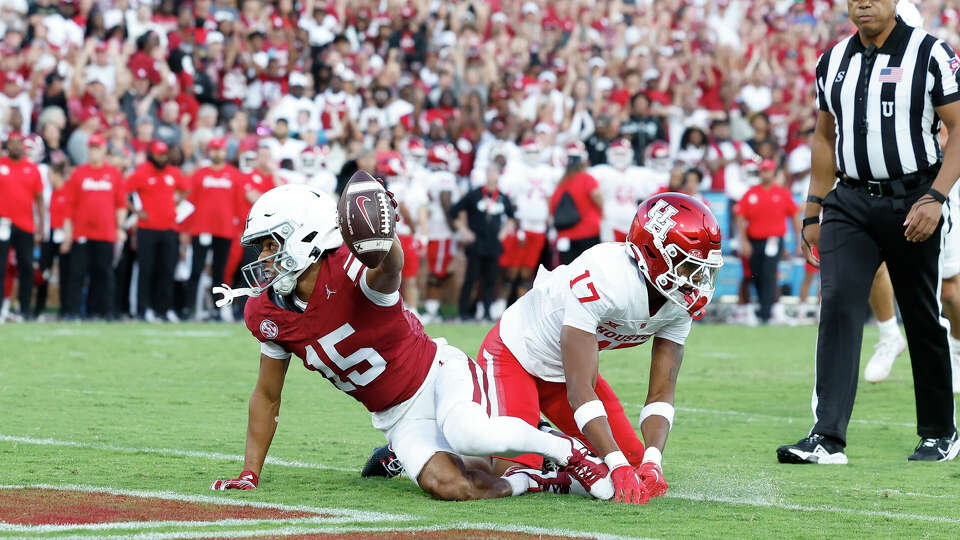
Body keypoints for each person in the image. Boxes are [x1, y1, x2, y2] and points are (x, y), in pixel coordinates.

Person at [209, 180, 613, 501]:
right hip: (396, 416)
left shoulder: (353, 268)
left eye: (269, 244)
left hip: (437, 374)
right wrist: (250, 472)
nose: (261, 257)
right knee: (455, 485)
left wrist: (385, 235)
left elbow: (389, 268)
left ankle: (568, 451)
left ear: (304, 236)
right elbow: (266, 395)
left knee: (471, 436)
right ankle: (533, 482)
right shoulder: (266, 313)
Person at [780, 1, 960, 464]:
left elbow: (959, 128)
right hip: (850, 199)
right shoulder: (832, 59)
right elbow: (824, 135)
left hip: (913, 198)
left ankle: (940, 431)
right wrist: (814, 206)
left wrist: (936, 197)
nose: (862, 3)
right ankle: (827, 437)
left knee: (921, 312)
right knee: (838, 303)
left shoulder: (930, 53)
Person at [461, 193, 722, 504]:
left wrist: (652, 460)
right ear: (654, 252)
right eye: (686, 265)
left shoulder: (679, 304)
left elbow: (661, 392)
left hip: (566, 371)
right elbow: (580, 388)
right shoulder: (606, 275)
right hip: (515, 354)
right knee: (517, 470)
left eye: (702, 269)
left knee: (635, 462)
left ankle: (546, 437)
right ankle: (458, 439)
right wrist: (613, 463)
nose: (695, 280)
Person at [60, 134, 127, 320]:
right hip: (82, 232)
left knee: (104, 274)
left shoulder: (114, 174)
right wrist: (68, 233)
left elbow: (120, 204)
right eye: (91, 148)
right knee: (77, 273)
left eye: (97, 148)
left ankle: (103, 311)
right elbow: (69, 207)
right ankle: (73, 312)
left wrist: (119, 227)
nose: (93, 152)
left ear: (104, 150)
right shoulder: (79, 173)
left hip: (106, 232)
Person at [126, 140, 188, 323]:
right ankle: (144, 309)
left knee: (167, 270)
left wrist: (176, 203)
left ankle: (165, 309)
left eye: (164, 154)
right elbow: (123, 192)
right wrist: (137, 212)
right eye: (158, 154)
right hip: (147, 229)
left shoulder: (173, 172)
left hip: (169, 228)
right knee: (147, 270)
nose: (162, 157)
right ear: (151, 155)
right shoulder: (142, 172)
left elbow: (185, 189)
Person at [183, 137, 244, 321]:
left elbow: (239, 204)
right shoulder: (199, 174)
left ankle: (217, 310)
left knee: (220, 273)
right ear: (209, 152)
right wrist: (185, 229)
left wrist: (241, 228)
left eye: (220, 150)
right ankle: (189, 308)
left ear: (225, 152)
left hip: (225, 231)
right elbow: (190, 202)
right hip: (201, 229)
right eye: (214, 150)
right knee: (195, 271)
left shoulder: (234, 175)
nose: (217, 153)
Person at [734, 160, 801, 325]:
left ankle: (765, 313)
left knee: (769, 274)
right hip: (754, 240)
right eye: (763, 171)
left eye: (768, 171)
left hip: (773, 240)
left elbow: (794, 215)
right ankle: (763, 310)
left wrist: (799, 240)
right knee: (756, 274)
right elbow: (739, 215)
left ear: (773, 173)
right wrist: (743, 241)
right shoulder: (751, 193)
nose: (765, 174)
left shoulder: (782, 193)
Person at [451, 159, 515, 322]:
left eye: (494, 172)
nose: (490, 175)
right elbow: (454, 211)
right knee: (471, 279)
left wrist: (504, 232)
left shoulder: (501, 197)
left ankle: (486, 312)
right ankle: (464, 312)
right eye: (488, 172)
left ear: (498, 175)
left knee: (491, 280)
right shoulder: (475, 194)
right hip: (476, 244)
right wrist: (464, 230)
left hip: (493, 244)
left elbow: (512, 217)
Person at [0, 132, 44, 321]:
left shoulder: (32, 169)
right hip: (3, 223)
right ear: (7, 145)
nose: (15, 146)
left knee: (26, 266)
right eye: (12, 142)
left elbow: (39, 199)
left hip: (25, 225)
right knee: (0, 267)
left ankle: (25, 309)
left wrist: (41, 225)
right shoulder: (1, 165)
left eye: (19, 142)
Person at [549, 141, 603, 265]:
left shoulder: (561, 183)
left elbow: (553, 207)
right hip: (589, 233)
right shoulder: (587, 178)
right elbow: (596, 195)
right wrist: (603, 213)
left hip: (566, 235)